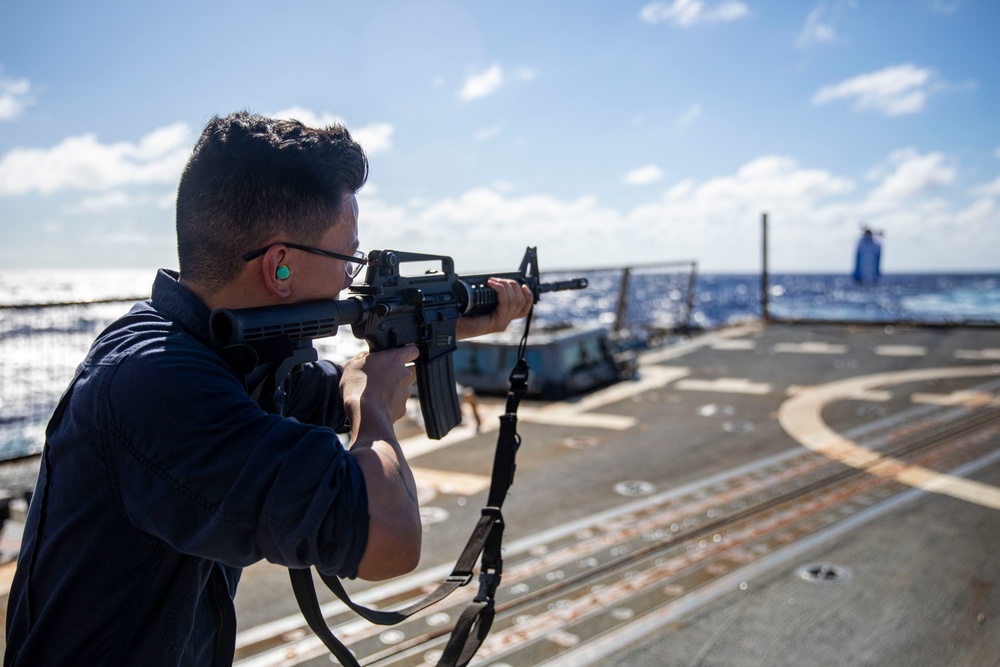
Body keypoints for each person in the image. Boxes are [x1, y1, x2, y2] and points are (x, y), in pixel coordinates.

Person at [4, 111, 533, 666]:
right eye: (350, 259)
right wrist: (372, 409)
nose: (353, 279)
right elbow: (391, 541)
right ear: (279, 266)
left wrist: (441, 327)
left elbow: (325, 389)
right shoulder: (159, 388)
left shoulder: (209, 347)